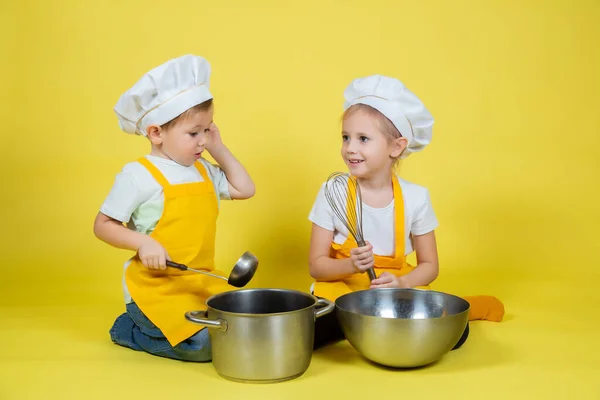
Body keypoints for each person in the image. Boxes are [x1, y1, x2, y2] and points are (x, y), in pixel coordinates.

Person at [307, 75, 504, 349]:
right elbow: (316, 265)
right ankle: (374, 328)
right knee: (312, 330)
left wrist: (400, 282)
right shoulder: (333, 192)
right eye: (346, 137)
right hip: (344, 289)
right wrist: (349, 265)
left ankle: (463, 311)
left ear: (396, 146)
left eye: (363, 138)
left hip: (396, 290)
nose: (350, 147)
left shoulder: (416, 198)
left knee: (453, 333)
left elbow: (429, 266)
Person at [93, 55, 255, 361]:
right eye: (194, 133)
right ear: (156, 133)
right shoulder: (138, 175)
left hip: (197, 281)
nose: (203, 141)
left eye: (208, 131)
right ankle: (128, 329)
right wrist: (143, 242)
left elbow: (245, 189)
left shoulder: (204, 169)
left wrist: (219, 148)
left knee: (239, 331)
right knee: (205, 347)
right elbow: (102, 225)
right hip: (154, 289)